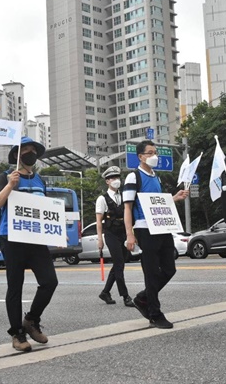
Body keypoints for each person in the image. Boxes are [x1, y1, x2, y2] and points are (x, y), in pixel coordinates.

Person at [0, 136, 57, 352]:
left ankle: (31, 319)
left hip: (36, 239)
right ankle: (17, 334)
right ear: (18, 155)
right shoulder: (6, 177)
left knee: (50, 282)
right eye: (25, 150)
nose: (30, 153)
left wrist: (57, 233)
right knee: (15, 286)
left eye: (33, 150)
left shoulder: (40, 180)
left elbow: (45, 211)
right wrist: (10, 185)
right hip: (12, 239)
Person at [123, 140, 188, 329]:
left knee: (169, 269)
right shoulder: (133, 177)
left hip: (161, 227)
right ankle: (154, 313)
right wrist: (130, 233)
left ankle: (143, 297)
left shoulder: (156, 177)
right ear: (140, 157)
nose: (154, 156)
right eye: (150, 153)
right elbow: (127, 207)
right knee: (151, 273)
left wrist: (175, 198)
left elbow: (158, 204)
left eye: (155, 152)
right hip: (145, 228)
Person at [96, 166, 134, 307]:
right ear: (107, 181)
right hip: (111, 234)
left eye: (117, 178)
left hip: (123, 232)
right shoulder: (102, 199)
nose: (116, 180)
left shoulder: (124, 195)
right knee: (119, 264)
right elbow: (99, 221)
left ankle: (105, 292)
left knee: (120, 264)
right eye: (112, 178)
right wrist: (100, 239)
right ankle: (125, 296)